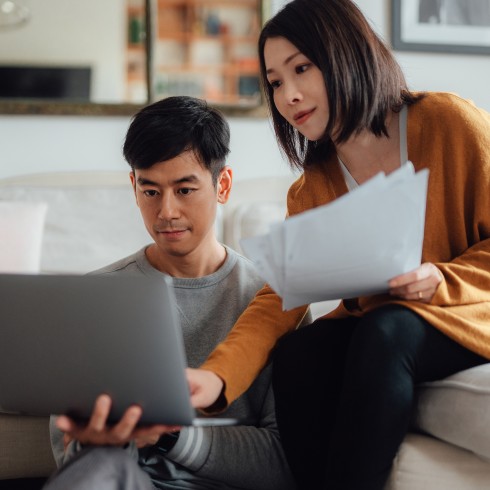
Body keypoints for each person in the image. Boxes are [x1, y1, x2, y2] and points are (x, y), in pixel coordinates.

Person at [186, 1, 490, 489]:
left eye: (301, 68)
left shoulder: (451, 124)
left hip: (474, 311)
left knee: (387, 329)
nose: (289, 95)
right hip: (394, 325)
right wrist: (217, 377)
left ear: (347, 54)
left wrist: (443, 279)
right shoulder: (313, 187)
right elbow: (279, 299)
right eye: (276, 82)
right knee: (302, 352)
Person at [45, 95, 299, 490]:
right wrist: (96, 444)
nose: (166, 211)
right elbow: (68, 457)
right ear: (133, 187)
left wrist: (170, 435)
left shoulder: (274, 299)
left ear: (223, 185)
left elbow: (286, 462)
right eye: (150, 192)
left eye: (184, 190)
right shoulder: (95, 296)